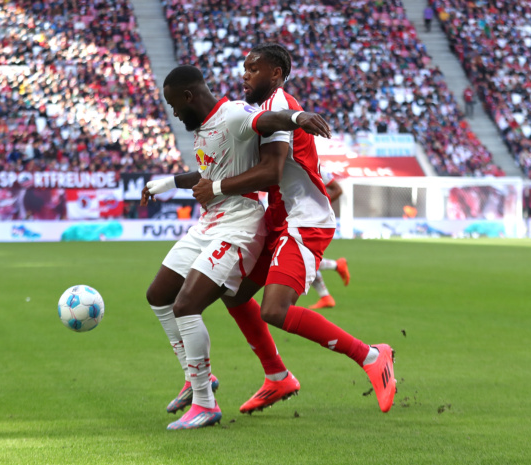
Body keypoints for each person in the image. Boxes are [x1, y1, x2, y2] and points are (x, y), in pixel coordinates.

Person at [192, 43, 396, 416]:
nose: (244, 74)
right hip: (276, 220)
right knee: (233, 293)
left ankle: (370, 355)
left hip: (303, 220)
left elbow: (271, 170)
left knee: (274, 309)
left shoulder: (278, 104)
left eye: (254, 68)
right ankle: (277, 376)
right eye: (244, 68)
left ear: (276, 73)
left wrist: (216, 187)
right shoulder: (263, 111)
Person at [141, 64, 331, 430]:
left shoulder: (233, 114)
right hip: (210, 222)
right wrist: (166, 184)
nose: (174, 113)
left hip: (239, 224)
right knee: (159, 295)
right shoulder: (203, 127)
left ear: (188, 96)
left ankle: (205, 403)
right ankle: (196, 377)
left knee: (187, 306)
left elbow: (267, 120)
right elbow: (208, 174)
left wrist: (299, 117)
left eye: (174, 105)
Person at [309, 167, 350, 310]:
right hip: (291, 217)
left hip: (309, 221)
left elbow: (337, 190)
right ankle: (325, 296)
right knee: (305, 259)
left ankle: (336, 266)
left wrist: (319, 208)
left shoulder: (315, 167)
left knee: (303, 258)